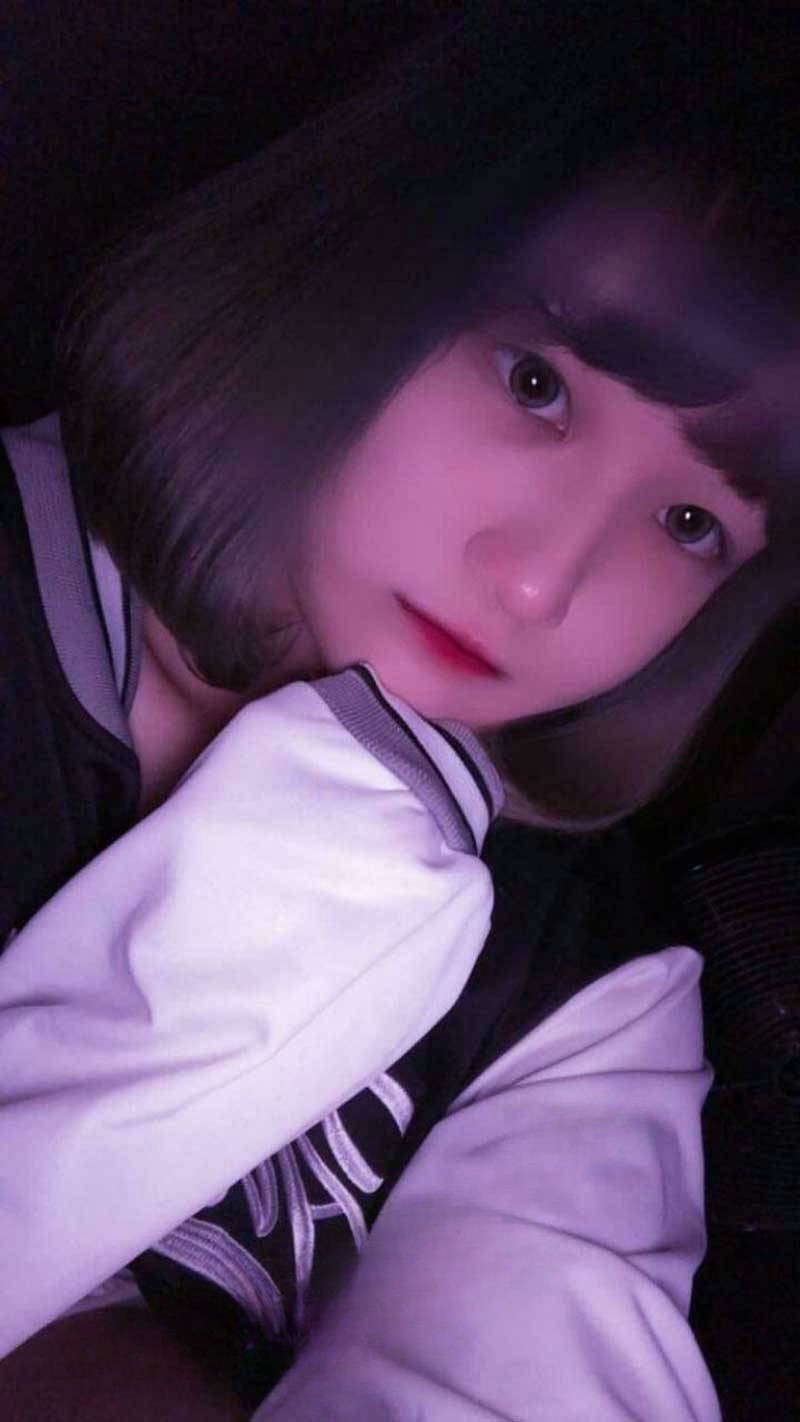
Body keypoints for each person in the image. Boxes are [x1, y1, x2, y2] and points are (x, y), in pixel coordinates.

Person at [1, 4, 799, 1416]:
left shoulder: (592, 977)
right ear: (350, 277)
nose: (542, 582)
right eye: (536, 383)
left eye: (691, 525)